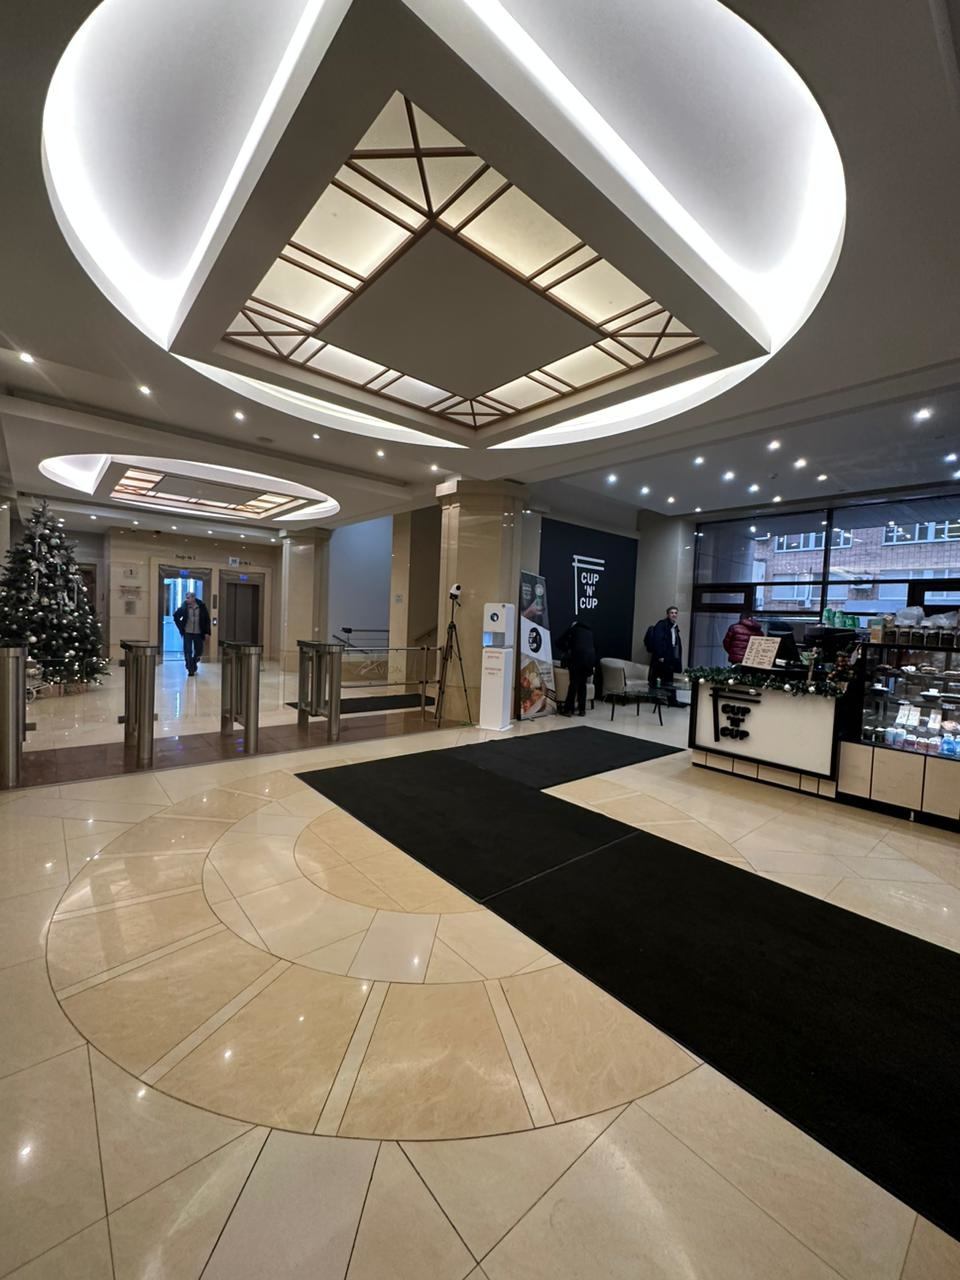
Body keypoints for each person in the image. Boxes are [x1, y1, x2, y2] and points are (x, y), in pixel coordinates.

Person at [557, 618, 595, 717]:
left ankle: (568, 710)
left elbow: (558, 642)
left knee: (573, 684)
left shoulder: (573, 629)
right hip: (589, 660)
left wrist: (567, 649)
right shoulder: (589, 632)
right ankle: (582, 710)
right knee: (582, 684)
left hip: (577, 659)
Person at [644, 606, 683, 703]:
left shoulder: (674, 627)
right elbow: (657, 641)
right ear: (668, 614)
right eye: (672, 613)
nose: (674, 614)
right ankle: (655, 699)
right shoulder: (662, 624)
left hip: (670, 657)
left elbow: (674, 643)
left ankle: (671, 700)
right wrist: (660, 656)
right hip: (661, 657)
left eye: (675, 613)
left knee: (668, 679)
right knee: (657, 678)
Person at [173, 591, 211, 676]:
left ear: (193, 598)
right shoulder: (184, 607)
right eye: (186, 598)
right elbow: (175, 616)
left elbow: (207, 620)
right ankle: (190, 669)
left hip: (198, 632)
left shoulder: (201, 606)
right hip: (187, 632)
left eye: (188, 598)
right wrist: (181, 627)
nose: (186, 600)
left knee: (199, 651)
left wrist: (207, 632)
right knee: (188, 651)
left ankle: (193, 662)